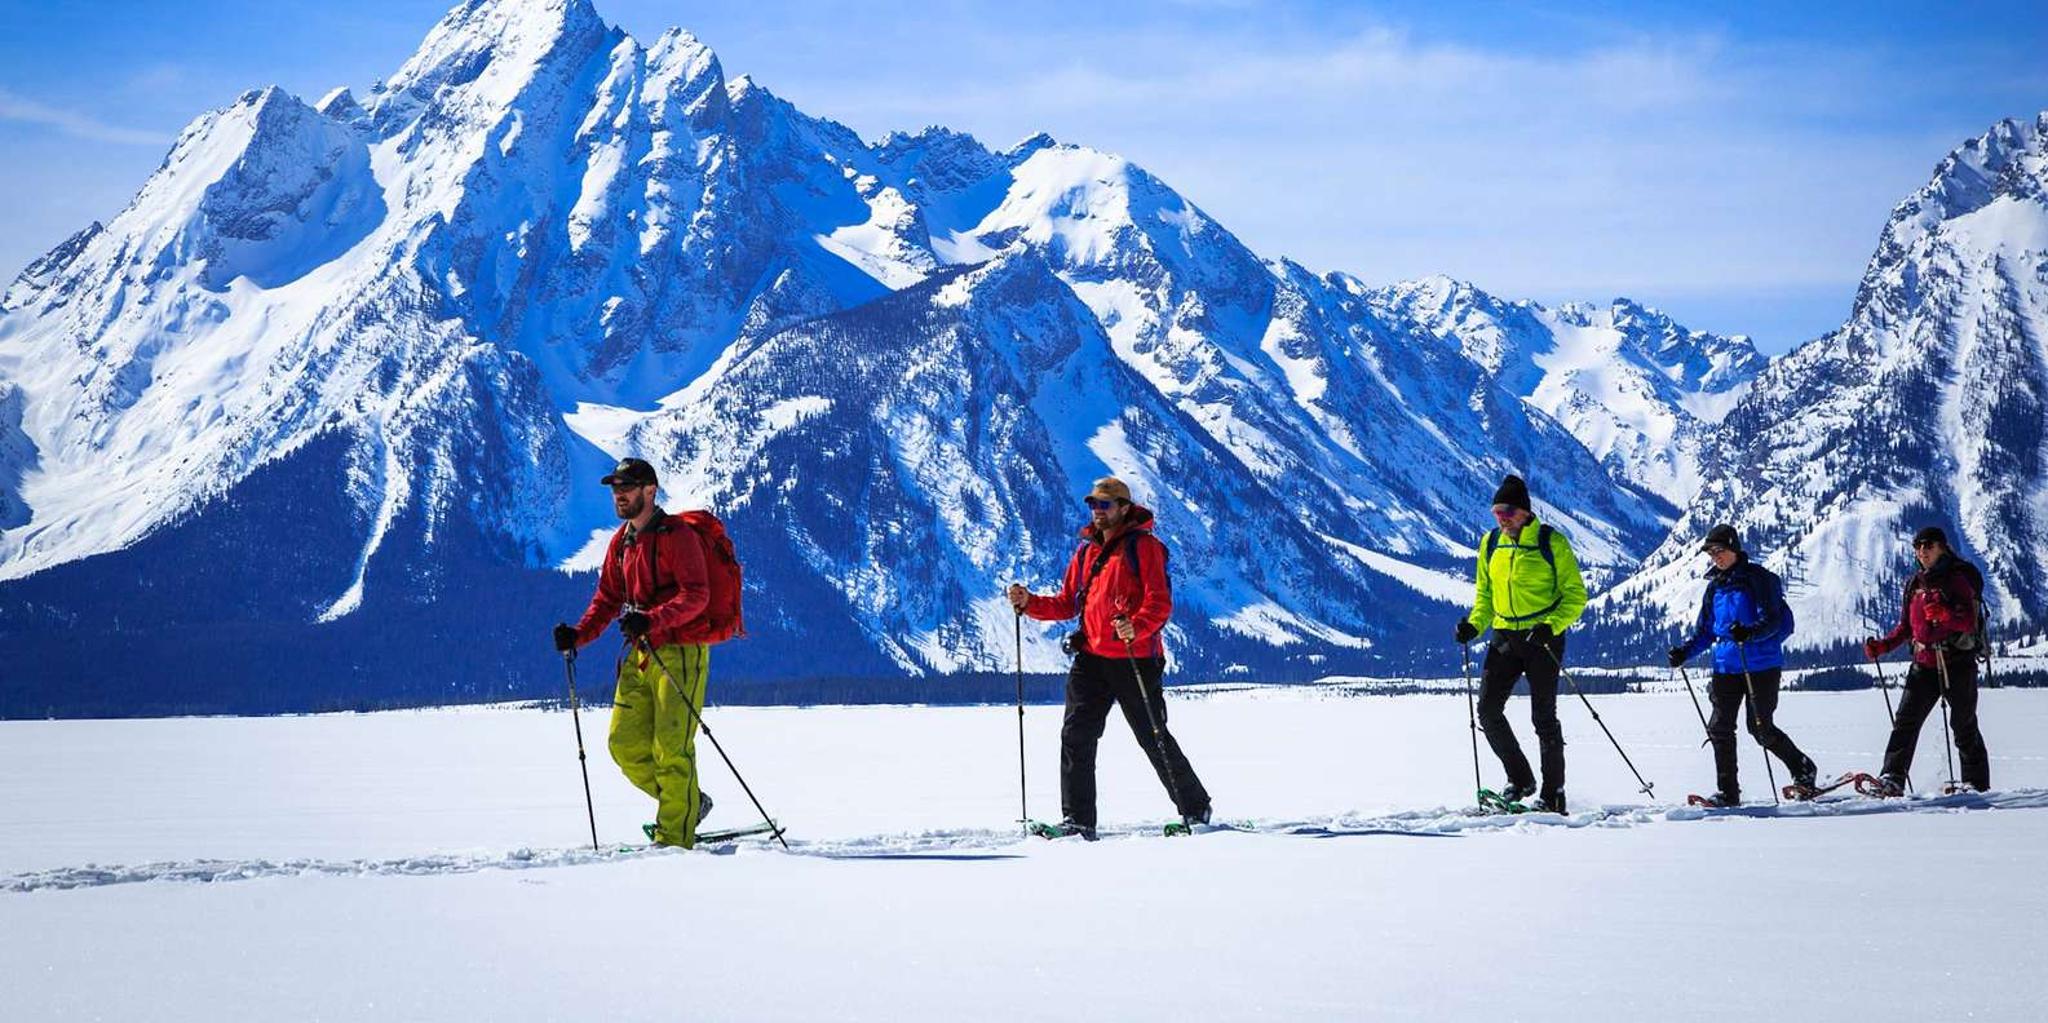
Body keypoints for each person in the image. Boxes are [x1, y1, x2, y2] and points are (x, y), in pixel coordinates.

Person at [1008, 476, 1211, 839]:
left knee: (1152, 736)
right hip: (1091, 657)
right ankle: (1078, 820)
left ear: (1123, 508)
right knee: (1076, 736)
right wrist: (1030, 603)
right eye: (1093, 505)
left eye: (1104, 505)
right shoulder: (1087, 552)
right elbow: (1068, 602)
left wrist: (1137, 625)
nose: (1097, 511)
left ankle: (1195, 809)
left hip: (1135, 657)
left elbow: (1159, 602)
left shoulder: (1145, 547)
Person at [552, 457, 715, 847]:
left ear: (650, 491)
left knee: (671, 748)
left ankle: (673, 840)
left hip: (681, 651)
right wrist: (578, 635)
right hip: (641, 653)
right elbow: (607, 598)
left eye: (627, 487)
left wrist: (653, 619)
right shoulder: (621, 543)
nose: (619, 495)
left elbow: (698, 595)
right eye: (615, 488)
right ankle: (688, 802)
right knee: (624, 744)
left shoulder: (678, 536)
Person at [1455, 474, 1586, 814]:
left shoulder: (1551, 542)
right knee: (1487, 710)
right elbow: (1485, 596)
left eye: (1508, 511)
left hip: (1542, 639)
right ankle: (1521, 779)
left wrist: (1551, 626)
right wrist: (1473, 626)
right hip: (1503, 637)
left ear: (1525, 512)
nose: (1502, 518)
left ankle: (1553, 793)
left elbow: (1575, 596)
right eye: (1497, 511)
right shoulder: (1489, 544)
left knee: (1544, 719)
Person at [1667, 524, 1818, 805]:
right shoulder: (1715, 588)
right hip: (1725, 667)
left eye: (1719, 550)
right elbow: (1706, 632)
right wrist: (1684, 653)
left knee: (1760, 728)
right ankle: (1728, 792)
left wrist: (1750, 633)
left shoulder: (1759, 580)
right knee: (1720, 728)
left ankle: (1803, 768)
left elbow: (1772, 619)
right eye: (1711, 553)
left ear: (1734, 547)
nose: (1715, 557)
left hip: (1760, 665)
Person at [1864, 526, 1989, 794]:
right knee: (1906, 722)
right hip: (1923, 663)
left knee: (1963, 725)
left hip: (1957, 661)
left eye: (1928, 545)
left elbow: (1968, 621)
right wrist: (1883, 646)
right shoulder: (1915, 583)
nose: (1922, 551)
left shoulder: (1958, 579)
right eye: (1918, 546)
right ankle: (1892, 778)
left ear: (1942, 547)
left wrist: (1945, 615)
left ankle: (1976, 784)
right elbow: (1906, 627)